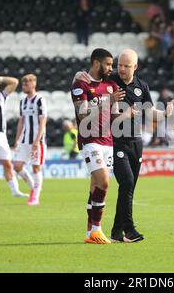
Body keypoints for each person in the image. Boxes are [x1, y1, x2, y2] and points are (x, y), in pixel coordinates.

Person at [74, 49, 174, 243]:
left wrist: (165, 114)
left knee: (129, 187)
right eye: (119, 64)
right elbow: (90, 76)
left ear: (135, 67)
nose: (120, 69)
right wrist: (78, 75)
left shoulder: (141, 86)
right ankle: (128, 229)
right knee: (126, 183)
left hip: (136, 140)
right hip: (115, 140)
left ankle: (117, 231)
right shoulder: (111, 79)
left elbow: (150, 112)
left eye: (126, 66)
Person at [70, 48, 124, 244]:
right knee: (104, 182)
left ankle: (89, 234)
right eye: (108, 64)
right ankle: (97, 229)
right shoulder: (81, 83)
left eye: (112, 65)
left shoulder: (111, 85)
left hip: (108, 141)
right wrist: (107, 101)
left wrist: (132, 115)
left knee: (95, 188)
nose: (111, 68)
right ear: (96, 63)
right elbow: (83, 114)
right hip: (89, 139)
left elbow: (115, 114)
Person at [13, 74, 48, 206]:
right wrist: (17, 139)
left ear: (33, 84)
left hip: (36, 140)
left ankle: (35, 197)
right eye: (23, 84)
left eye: (26, 84)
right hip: (25, 140)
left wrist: (37, 140)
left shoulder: (40, 100)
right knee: (17, 166)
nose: (24, 86)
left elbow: (43, 121)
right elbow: (21, 121)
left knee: (36, 168)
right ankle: (35, 187)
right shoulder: (23, 101)